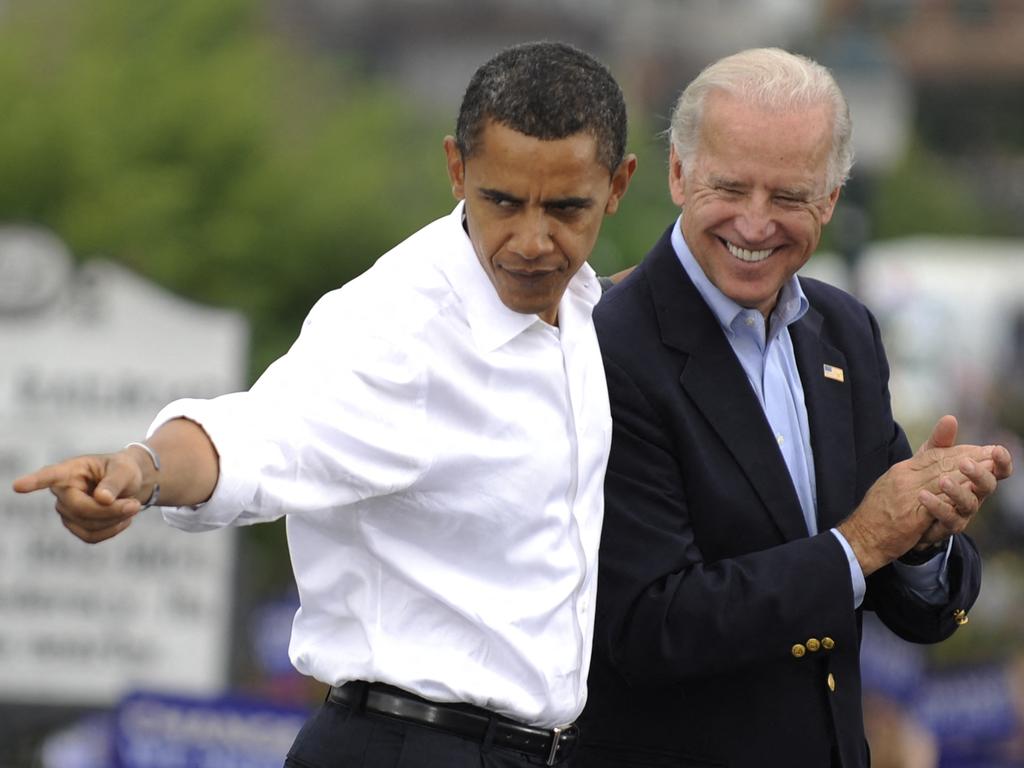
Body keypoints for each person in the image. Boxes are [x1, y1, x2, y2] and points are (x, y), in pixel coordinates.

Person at [13, 41, 636, 768]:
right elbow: (258, 432)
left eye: (566, 209)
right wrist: (143, 468)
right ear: (457, 169)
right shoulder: (394, 329)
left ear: (618, 186)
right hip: (407, 748)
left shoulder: (585, 308)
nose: (532, 240)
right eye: (501, 201)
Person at [575, 48, 1014, 768]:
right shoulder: (609, 347)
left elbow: (912, 606)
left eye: (788, 197)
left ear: (832, 199)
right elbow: (650, 625)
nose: (755, 224)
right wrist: (864, 542)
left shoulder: (844, 330)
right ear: (678, 174)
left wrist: (925, 538)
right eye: (731, 188)